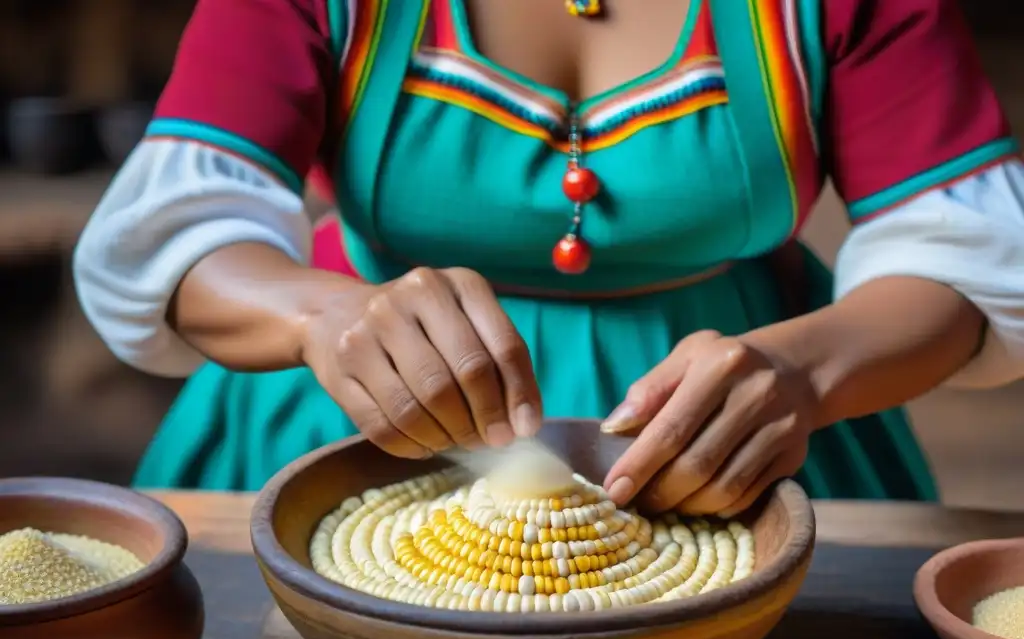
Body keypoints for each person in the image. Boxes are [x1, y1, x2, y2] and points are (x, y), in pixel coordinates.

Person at [74, 0, 1024, 515]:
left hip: (739, 436)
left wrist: (803, 370)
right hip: (341, 419)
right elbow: (179, 238)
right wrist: (321, 314)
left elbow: (970, 264)